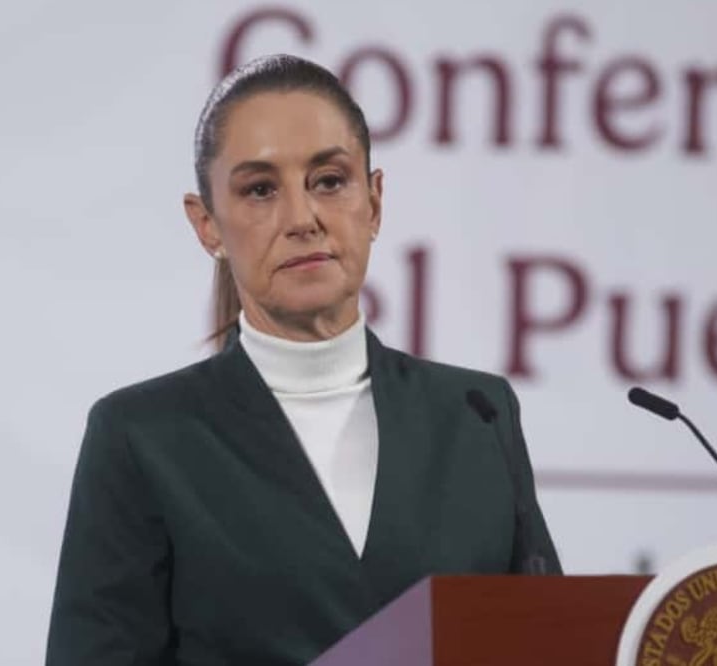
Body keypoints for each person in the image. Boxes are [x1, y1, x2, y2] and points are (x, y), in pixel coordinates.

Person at [44, 54, 561, 666]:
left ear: (374, 201)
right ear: (206, 224)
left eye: (330, 180)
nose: (301, 218)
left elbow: (552, 640)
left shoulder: (478, 415)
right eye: (260, 190)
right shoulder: (142, 437)